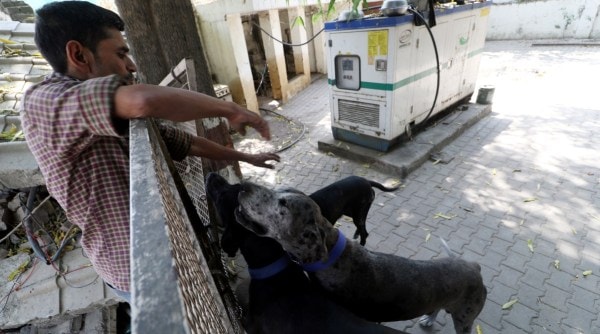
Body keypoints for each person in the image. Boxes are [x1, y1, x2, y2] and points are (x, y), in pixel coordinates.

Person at [21, 1, 280, 303]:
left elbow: (186, 143)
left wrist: (248, 158)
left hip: (172, 251)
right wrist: (230, 109)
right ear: (79, 55)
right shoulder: (46, 101)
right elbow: (143, 100)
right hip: (136, 271)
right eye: (120, 53)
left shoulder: (112, 109)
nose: (131, 65)